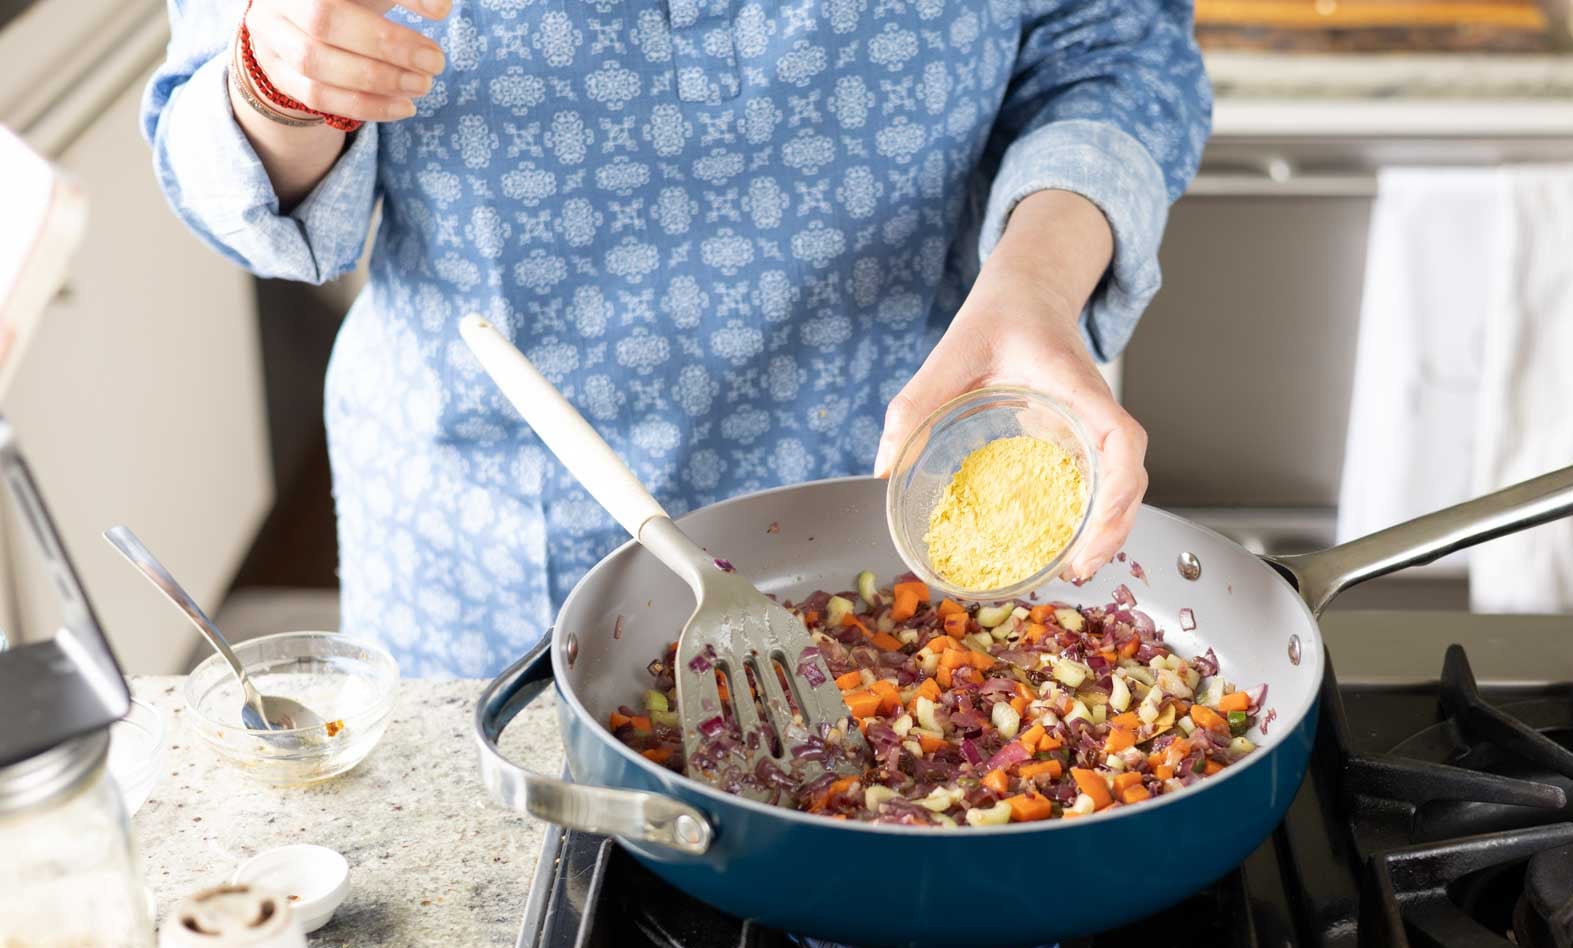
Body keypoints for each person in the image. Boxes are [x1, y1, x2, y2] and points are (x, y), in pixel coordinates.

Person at [145, 0, 1210, 677]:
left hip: (903, 502)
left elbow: (1110, 48)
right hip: (497, 557)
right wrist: (277, 82)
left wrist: (1032, 288)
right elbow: (213, 143)